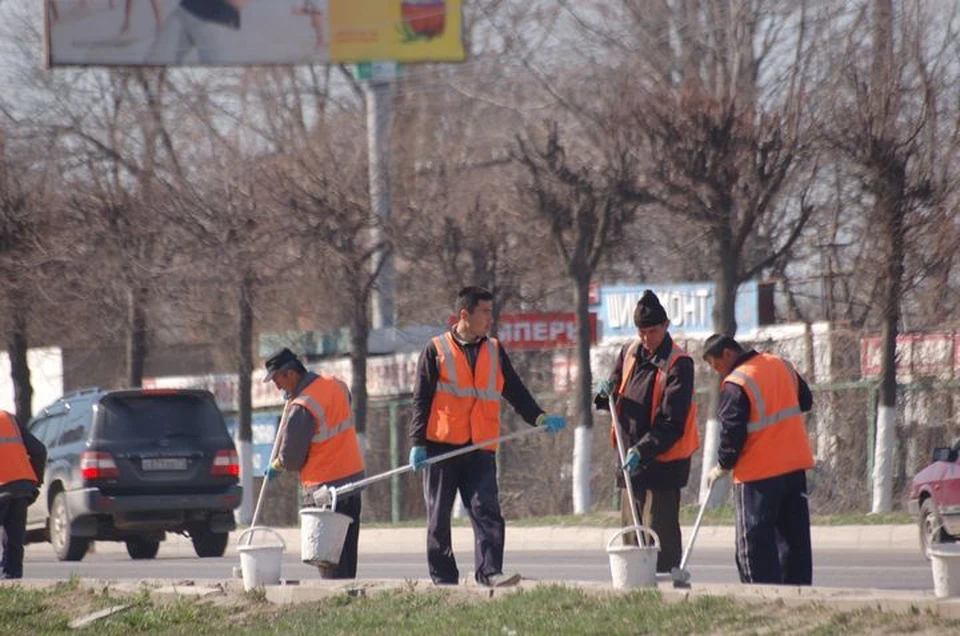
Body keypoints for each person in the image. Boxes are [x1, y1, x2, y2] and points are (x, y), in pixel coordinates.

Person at [408, 286, 566, 588]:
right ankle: (444, 579)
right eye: (484, 312)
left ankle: (490, 571)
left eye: (490, 312)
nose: (489, 319)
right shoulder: (436, 349)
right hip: (442, 447)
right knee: (438, 518)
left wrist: (538, 416)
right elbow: (421, 400)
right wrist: (417, 443)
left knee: (486, 510)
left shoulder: (494, 349)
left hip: (480, 447)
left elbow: (515, 390)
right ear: (464, 314)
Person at [593, 290, 700, 574]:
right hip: (629, 462)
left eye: (651, 331)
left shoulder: (679, 364)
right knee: (631, 533)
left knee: (658, 531)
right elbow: (615, 393)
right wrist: (604, 395)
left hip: (663, 463)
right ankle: (634, 587)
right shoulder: (629, 353)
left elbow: (672, 422)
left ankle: (665, 584)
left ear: (665, 326)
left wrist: (643, 450)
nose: (646, 338)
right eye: (641, 331)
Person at [701, 333, 815, 586]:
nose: (716, 371)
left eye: (714, 364)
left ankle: (759, 598)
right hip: (794, 469)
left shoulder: (736, 382)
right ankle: (798, 597)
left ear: (728, 354)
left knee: (754, 546)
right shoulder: (781, 365)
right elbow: (805, 401)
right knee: (793, 542)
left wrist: (723, 465)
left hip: (758, 476)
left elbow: (732, 432)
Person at [262, 348, 364, 579]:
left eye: (277, 380)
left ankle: (336, 605)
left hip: (324, 492)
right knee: (347, 557)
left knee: (329, 561)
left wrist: (278, 465)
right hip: (353, 482)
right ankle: (348, 602)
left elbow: (292, 458)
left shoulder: (302, 406)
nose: (277, 387)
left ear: (290, 374)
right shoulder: (336, 385)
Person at [0, 410, 47, 580]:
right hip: (21, 486)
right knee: (14, 539)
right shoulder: (8, 418)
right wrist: (36, 482)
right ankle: (12, 580)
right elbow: (39, 450)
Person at [144, 0, 247, 65]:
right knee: (153, 63)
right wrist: (158, 19)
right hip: (185, 11)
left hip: (218, 23)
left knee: (215, 77)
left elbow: (238, 2)